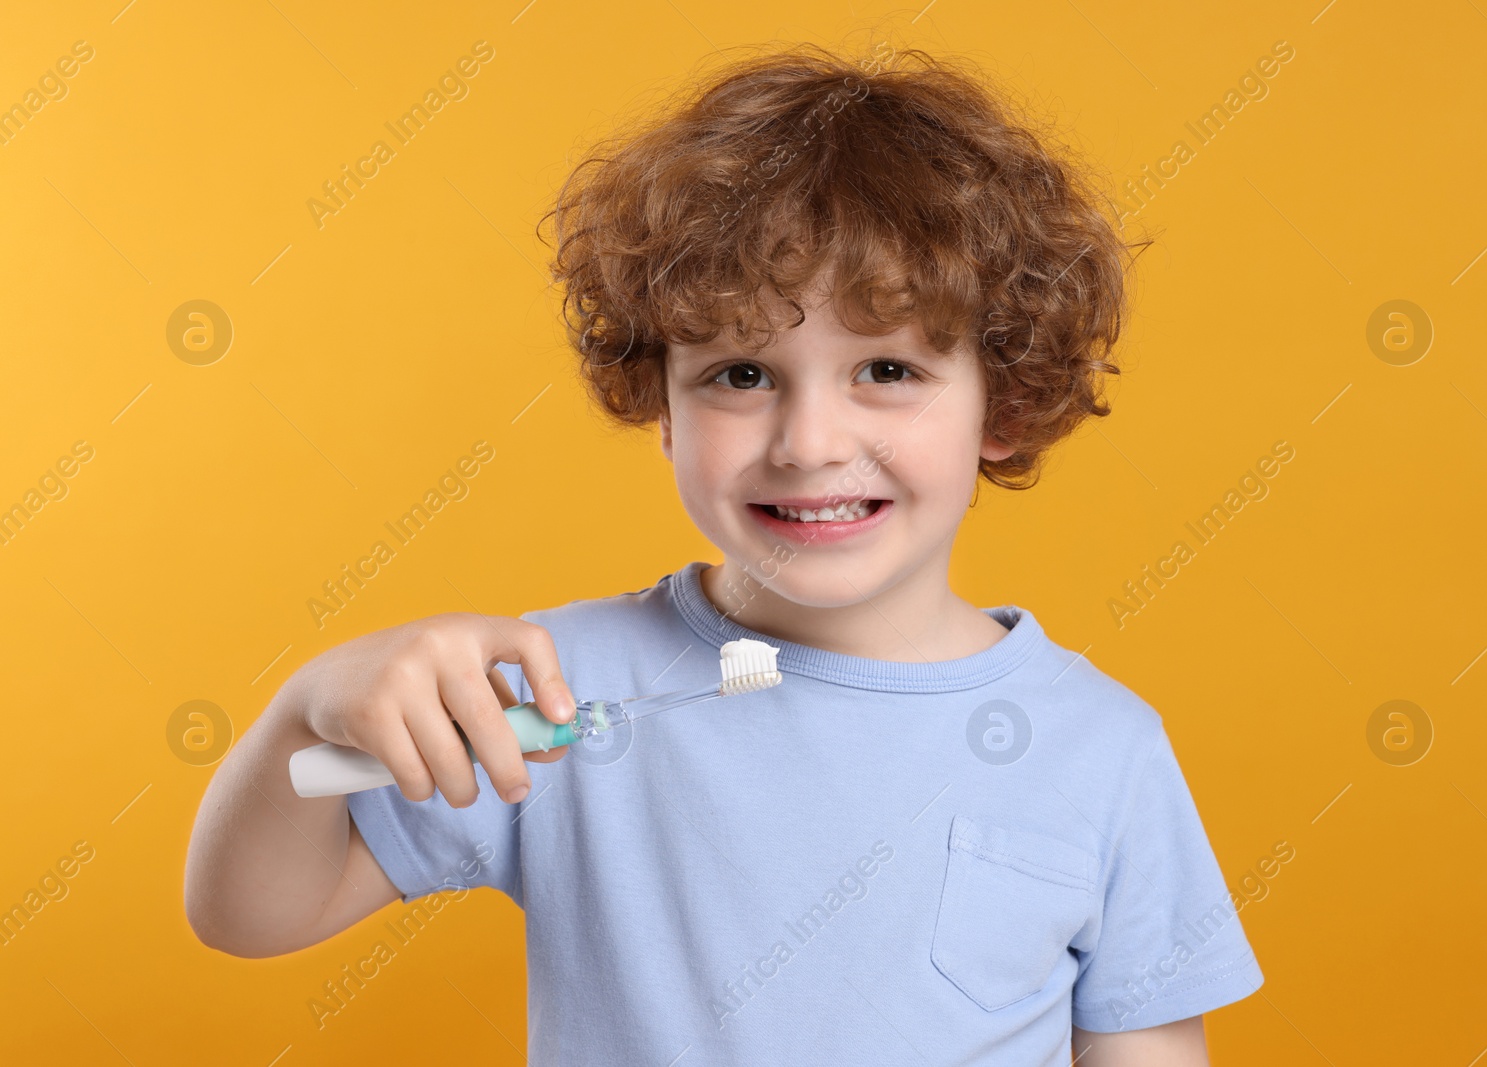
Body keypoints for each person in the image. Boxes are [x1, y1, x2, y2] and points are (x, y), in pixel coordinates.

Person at [185, 40, 1262, 1065]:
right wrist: (311, 704)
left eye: (886, 370)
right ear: (659, 401)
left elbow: (1144, 1039)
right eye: (742, 374)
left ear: (1004, 400)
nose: (809, 444)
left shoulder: (1100, 747)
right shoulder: (554, 688)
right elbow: (248, 913)